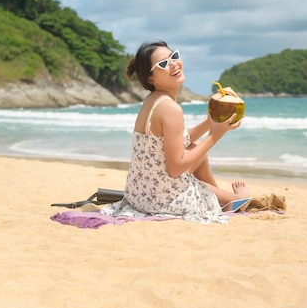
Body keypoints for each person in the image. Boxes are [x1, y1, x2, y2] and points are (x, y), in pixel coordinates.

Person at [101, 41, 249, 223]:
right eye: (163, 64)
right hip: (161, 201)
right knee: (201, 167)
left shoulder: (152, 100)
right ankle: (233, 201)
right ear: (152, 79)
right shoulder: (171, 109)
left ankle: (219, 198)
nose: (173, 64)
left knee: (194, 148)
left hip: (140, 194)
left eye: (174, 56)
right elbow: (175, 169)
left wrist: (209, 123)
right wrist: (214, 136)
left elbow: (177, 140)